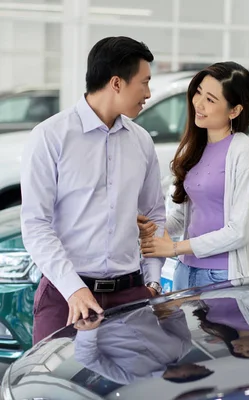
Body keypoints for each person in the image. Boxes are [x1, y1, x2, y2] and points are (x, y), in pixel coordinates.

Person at [20, 36, 166, 344]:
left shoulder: (141, 141)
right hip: (65, 296)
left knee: (133, 391)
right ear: (116, 83)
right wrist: (73, 288)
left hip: (130, 296)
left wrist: (151, 281)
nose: (148, 94)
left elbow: (155, 214)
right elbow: (35, 225)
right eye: (144, 83)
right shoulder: (50, 137)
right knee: (54, 390)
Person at [138, 61, 249, 291]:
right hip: (185, 271)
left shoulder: (243, 151)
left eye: (211, 100)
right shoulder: (193, 149)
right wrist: (148, 226)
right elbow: (180, 219)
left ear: (234, 110)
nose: (199, 104)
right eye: (198, 93)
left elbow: (239, 233)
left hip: (222, 276)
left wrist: (175, 248)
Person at [74, 308, 213, 385]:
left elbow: (88, 360)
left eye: (196, 368)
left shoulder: (130, 377)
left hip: (89, 315)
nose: (196, 363)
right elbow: (174, 314)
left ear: (184, 376)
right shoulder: (184, 346)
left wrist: (88, 331)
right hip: (131, 300)